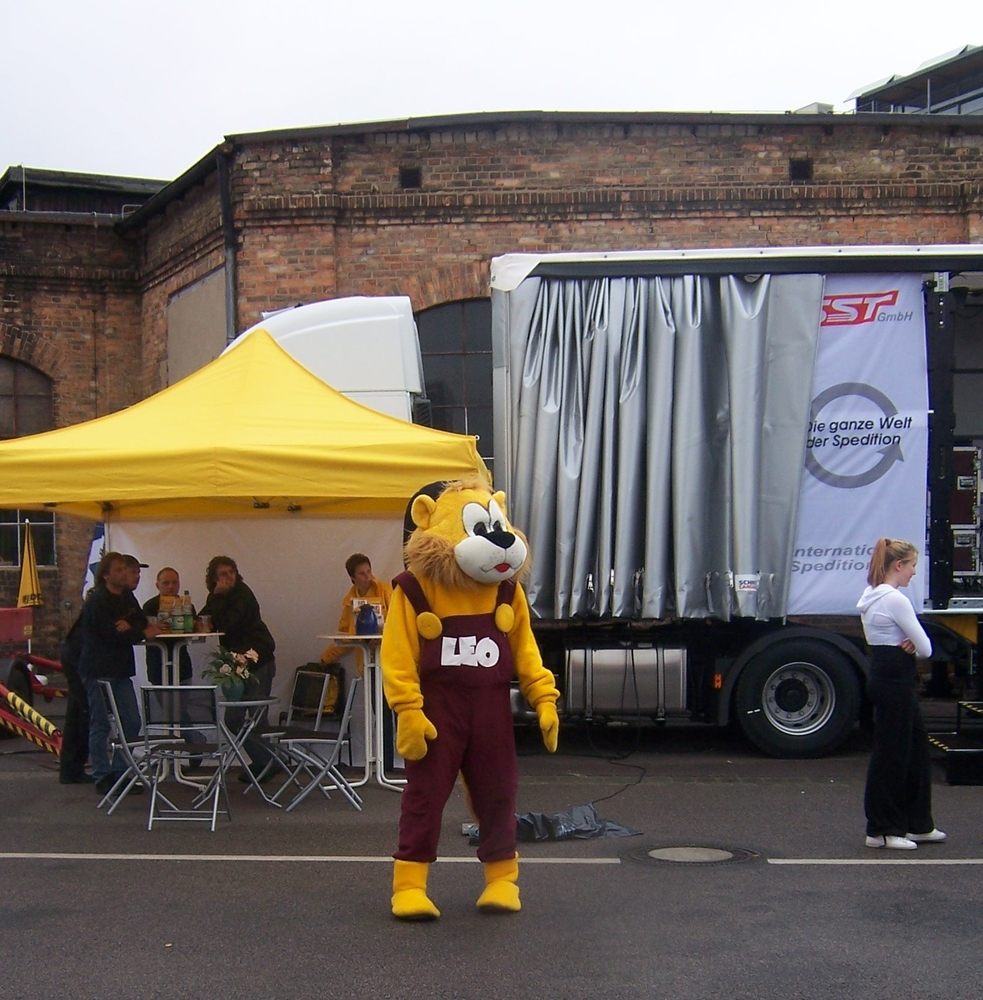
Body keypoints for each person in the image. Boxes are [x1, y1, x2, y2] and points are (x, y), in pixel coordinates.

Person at [857, 537, 946, 850]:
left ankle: (919, 823)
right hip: (894, 681)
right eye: (912, 566)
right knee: (892, 755)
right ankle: (882, 830)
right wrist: (911, 640)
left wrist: (908, 639)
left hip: (889, 677)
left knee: (916, 750)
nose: (913, 573)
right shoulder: (894, 599)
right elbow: (925, 648)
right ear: (898, 565)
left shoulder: (871, 595)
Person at [79, 551, 163, 794]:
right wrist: (135, 632)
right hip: (98, 669)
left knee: (131, 720)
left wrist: (132, 627)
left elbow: (140, 621)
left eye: (124, 570)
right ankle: (102, 775)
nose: (124, 574)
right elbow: (110, 634)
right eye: (118, 570)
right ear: (105, 575)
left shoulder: (127, 596)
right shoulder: (97, 601)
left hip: (121, 668)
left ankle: (120, 771)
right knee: (101, 722)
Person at [199, 555, 277, 783]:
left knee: (256, 715)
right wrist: (215, 597)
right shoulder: (217, 597)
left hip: (258, 660)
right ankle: (266, 760)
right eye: (222, 574)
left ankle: (268, 762)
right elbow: (205, 618)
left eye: (231, 572)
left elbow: (227, 624)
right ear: (213, 578)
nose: (228, 578)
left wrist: (217, 597)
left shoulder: (243, 593)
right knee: (233, 718)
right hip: (237, 663)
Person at [320, 553, 393, 672]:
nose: (368, 577)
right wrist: (327, 657)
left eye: (369, 571)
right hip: (366, 662)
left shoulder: (386, 591)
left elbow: (398, 622)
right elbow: (345, 636)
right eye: (362, 574)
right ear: (352, 578)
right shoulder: (349, 601)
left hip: (389, 660)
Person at [142, 566, 196, 684]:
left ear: (179, 584)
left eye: (174, 582)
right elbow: (145, 631)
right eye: (166, 583)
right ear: (157, 585)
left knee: (185, 701)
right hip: (157, 663)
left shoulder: (186, 605)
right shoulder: (149, 606)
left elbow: (195, 627)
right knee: (161, 702)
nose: (171, 586)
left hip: (182, 664)